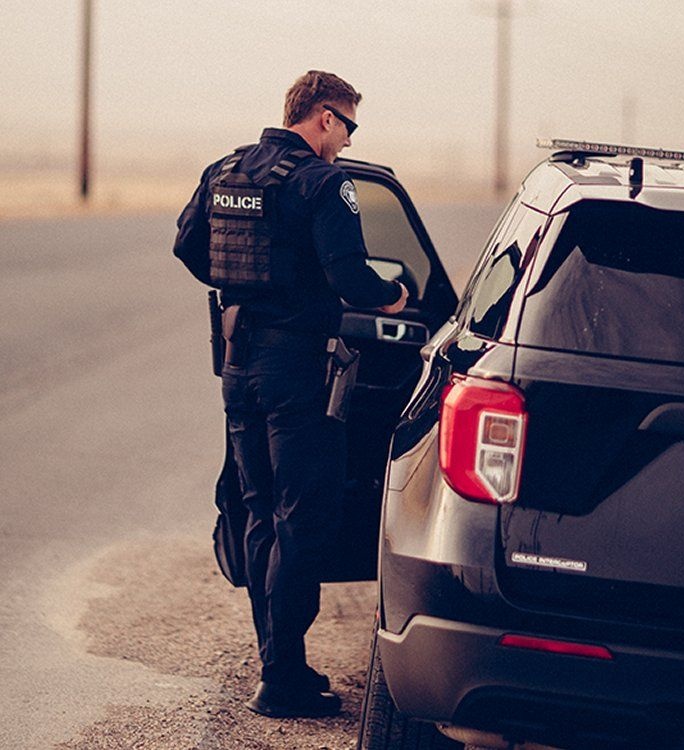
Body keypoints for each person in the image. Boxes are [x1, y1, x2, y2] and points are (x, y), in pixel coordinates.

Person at [173, 70, 408, 718]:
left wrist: (248, 286)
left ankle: (279, 665)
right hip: (298, 370)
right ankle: (282, 677)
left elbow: (188, 246)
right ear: (325, 117)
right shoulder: (324, 182)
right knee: (304, 521)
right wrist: (393, 296)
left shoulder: (228, 169)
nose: (349, 141)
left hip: (239, 363)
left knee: (258, 511)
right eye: (350, 126)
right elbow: (351, 277)